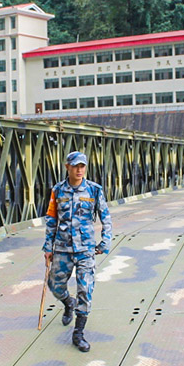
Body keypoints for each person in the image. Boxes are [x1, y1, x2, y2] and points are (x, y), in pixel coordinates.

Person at [43, 151, 112, 352]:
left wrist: (105, 242)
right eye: (75, 166)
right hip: (63, 248)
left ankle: (78, 333)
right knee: (54, 285)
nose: (80, 170)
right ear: (67, 167)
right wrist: (48, 247)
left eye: (82, 166)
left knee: (85, 289)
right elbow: (51, 220)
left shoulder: (94, 190)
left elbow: (106, 217)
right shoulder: (57, 191)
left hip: (85, 249)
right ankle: (67, 303)